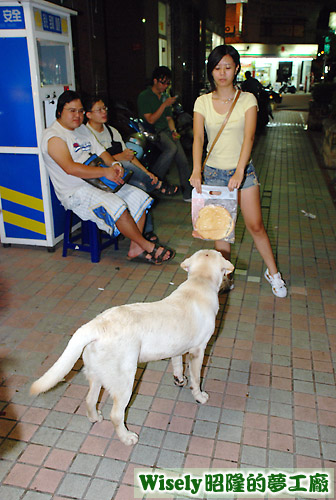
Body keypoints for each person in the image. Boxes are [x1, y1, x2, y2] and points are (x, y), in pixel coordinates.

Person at [190, 45, 287, 298]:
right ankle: (225, 278)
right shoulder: (202, 102)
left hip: (243, 173)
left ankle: (273, 274)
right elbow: (198, 139)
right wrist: (196, 170)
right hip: (213, 174)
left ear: (236, 69)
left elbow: (249, 137)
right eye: (217, 68)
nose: (222, 73)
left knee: (255, 226)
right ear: (211, 71)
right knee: (221, 231)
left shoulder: (247, 100)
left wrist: (240, 171)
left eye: (228, 67)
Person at [41, 90, 175, 265]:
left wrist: (114, 165)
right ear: (60, 112)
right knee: (117, 205)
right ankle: (148, 246)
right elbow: (70, 168)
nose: (77, 115)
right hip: (75, 191)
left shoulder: (82, 129)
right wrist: (105, 172)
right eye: (72, 110)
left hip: (98, 183)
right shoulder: (53, 136)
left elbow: (101, 151)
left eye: (80, 111)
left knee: (140, 197)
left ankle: (135, 248)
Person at [84, 96, 179, 243]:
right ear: (88, 114)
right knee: (124, 165)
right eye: (99, 110)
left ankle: (145, 232)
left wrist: (147, 173)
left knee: (140, 185)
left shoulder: (112, 131)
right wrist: (119, 158)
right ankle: (158, 186)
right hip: (101, 179)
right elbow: (90, 164)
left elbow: (130, 156)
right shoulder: (86, 134)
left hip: (119, 176)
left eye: (105, 108)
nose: (104, 112)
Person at [137, 66, 192, 202]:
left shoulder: (165, 96)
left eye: (168, 83)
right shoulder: (145, 96)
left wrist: (174, 131)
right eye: (163, 82)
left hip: (166, 131)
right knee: (171, 149)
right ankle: (153, 181)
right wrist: (164, 105)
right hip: (153, 131)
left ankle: (188, 194)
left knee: (183, 161)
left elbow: (169, 118)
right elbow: (150, 119)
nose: (165, 86)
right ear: (155, 81)